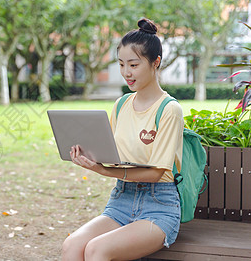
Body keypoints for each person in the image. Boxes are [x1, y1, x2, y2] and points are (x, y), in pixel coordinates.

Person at [61, 18, 184, 261]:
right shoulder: (121, 105)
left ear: (155, 63)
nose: (126, 72)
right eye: (121, 64)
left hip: (158, 207)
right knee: (72, 245)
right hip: (121, 201)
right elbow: (110, 157)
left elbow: (156, 173)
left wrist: (101, 171)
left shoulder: (169, 110)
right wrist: (89, 158)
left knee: (97, 249)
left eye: (134, 64)